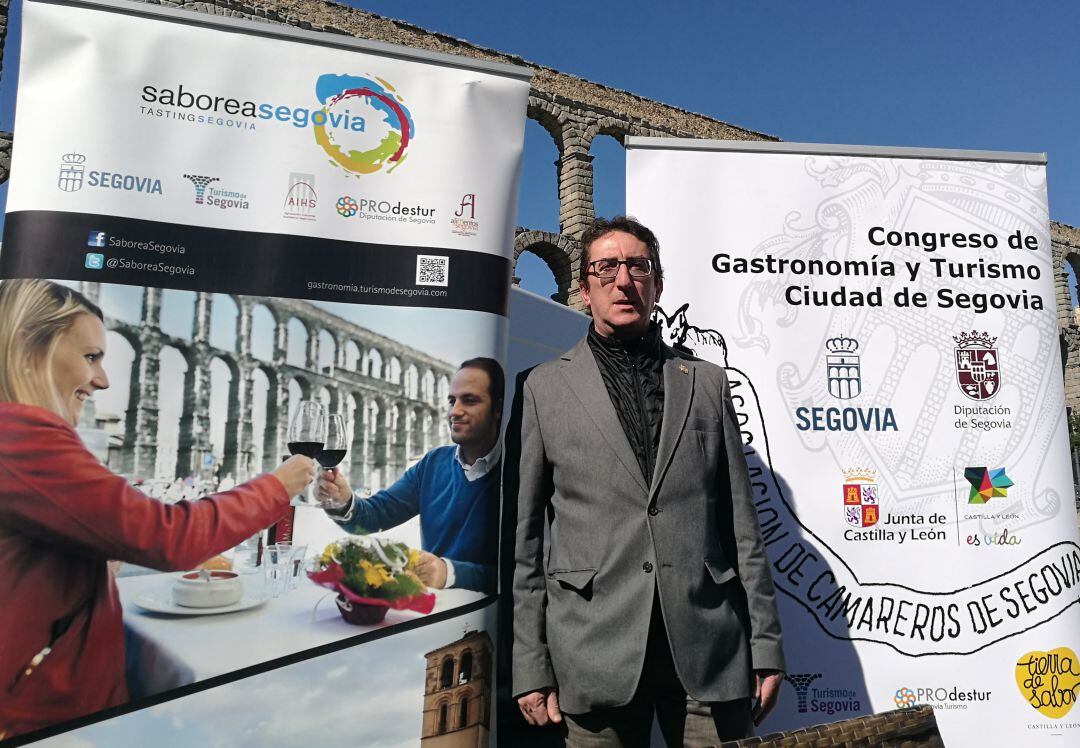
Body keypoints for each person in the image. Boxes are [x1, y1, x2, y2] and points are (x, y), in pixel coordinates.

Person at [509, 217, 785, 746]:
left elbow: (741, 526)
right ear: (583, 288)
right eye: (606, 267)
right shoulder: (542, 389)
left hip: (709, 647)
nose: (624, 279)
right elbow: (524, 543)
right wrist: (530, 665)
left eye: (638, 266)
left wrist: (766, 644)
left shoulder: (706, 382)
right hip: (592, 648)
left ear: (657, 284)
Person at [0, 279, 315, 739]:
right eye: (91, 357)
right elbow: (170, 537)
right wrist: (277, 485)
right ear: (30, 349)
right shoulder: (22, 434)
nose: (103, 379)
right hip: (51, 722)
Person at [318, 358, 503, 594]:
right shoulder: (433, 464)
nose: (455, 411)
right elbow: (376, 514)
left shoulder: (521, 473)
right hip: (431, 610)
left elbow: (525, 572)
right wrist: (343, 501)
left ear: (497, 409)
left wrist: (450, 573)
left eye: (469, 400)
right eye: (451, 401)